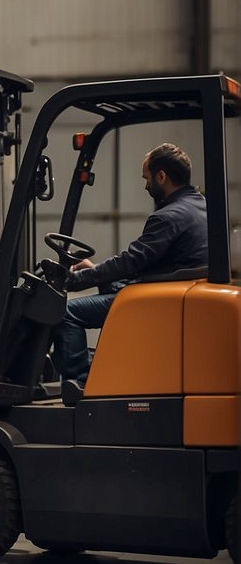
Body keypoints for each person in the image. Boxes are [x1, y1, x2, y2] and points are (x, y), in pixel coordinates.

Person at [52, 142, 208, 387]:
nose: (146, 185)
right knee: (109, 285)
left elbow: (131, 261)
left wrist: (77, 280)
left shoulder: (168, 216)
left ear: (162, 176)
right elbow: (141, 263)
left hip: (156, 300)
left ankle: (81, 386)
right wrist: (97, 272)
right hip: (167, 288)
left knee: (66, 313)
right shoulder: (202, 207)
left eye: (147, 178)